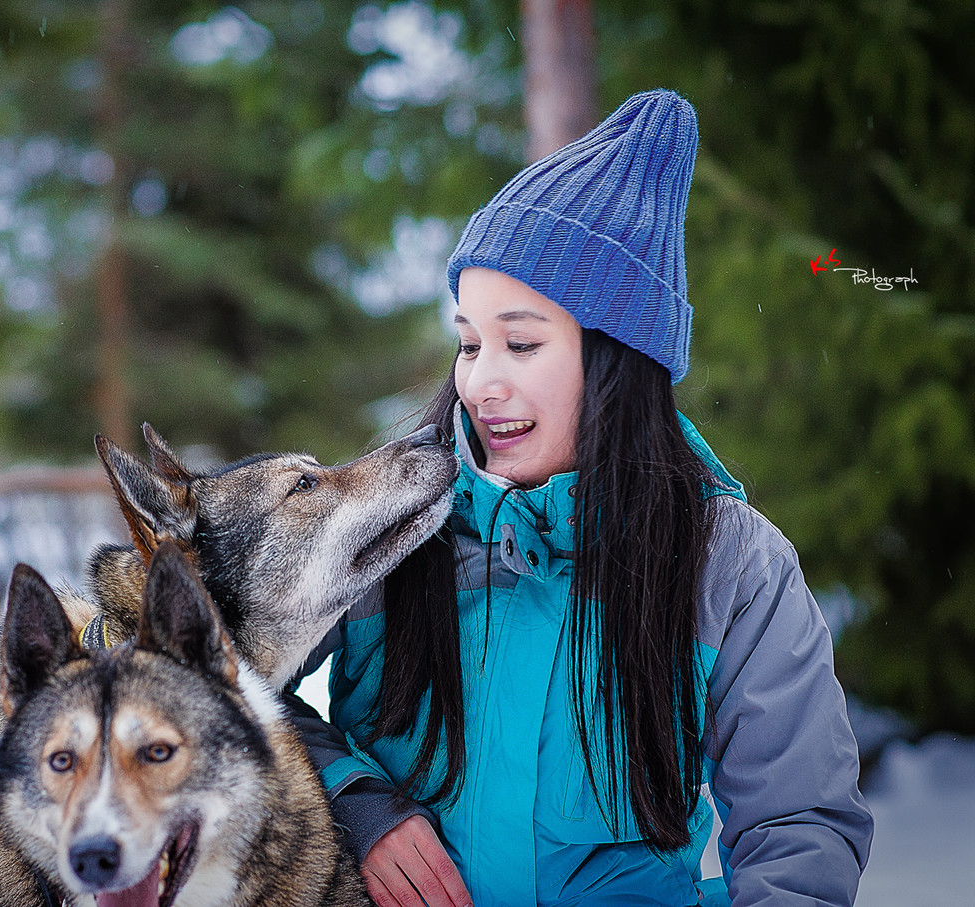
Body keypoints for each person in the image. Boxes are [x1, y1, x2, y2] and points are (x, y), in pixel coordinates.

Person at [288, 89, 873, 907]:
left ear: (617, 359)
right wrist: (355, 802)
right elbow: (214, 680)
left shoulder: (731, 563)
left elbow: (798, 829)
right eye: (469, 342)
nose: (480, 379)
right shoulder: (392, 522)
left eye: (521, 342)